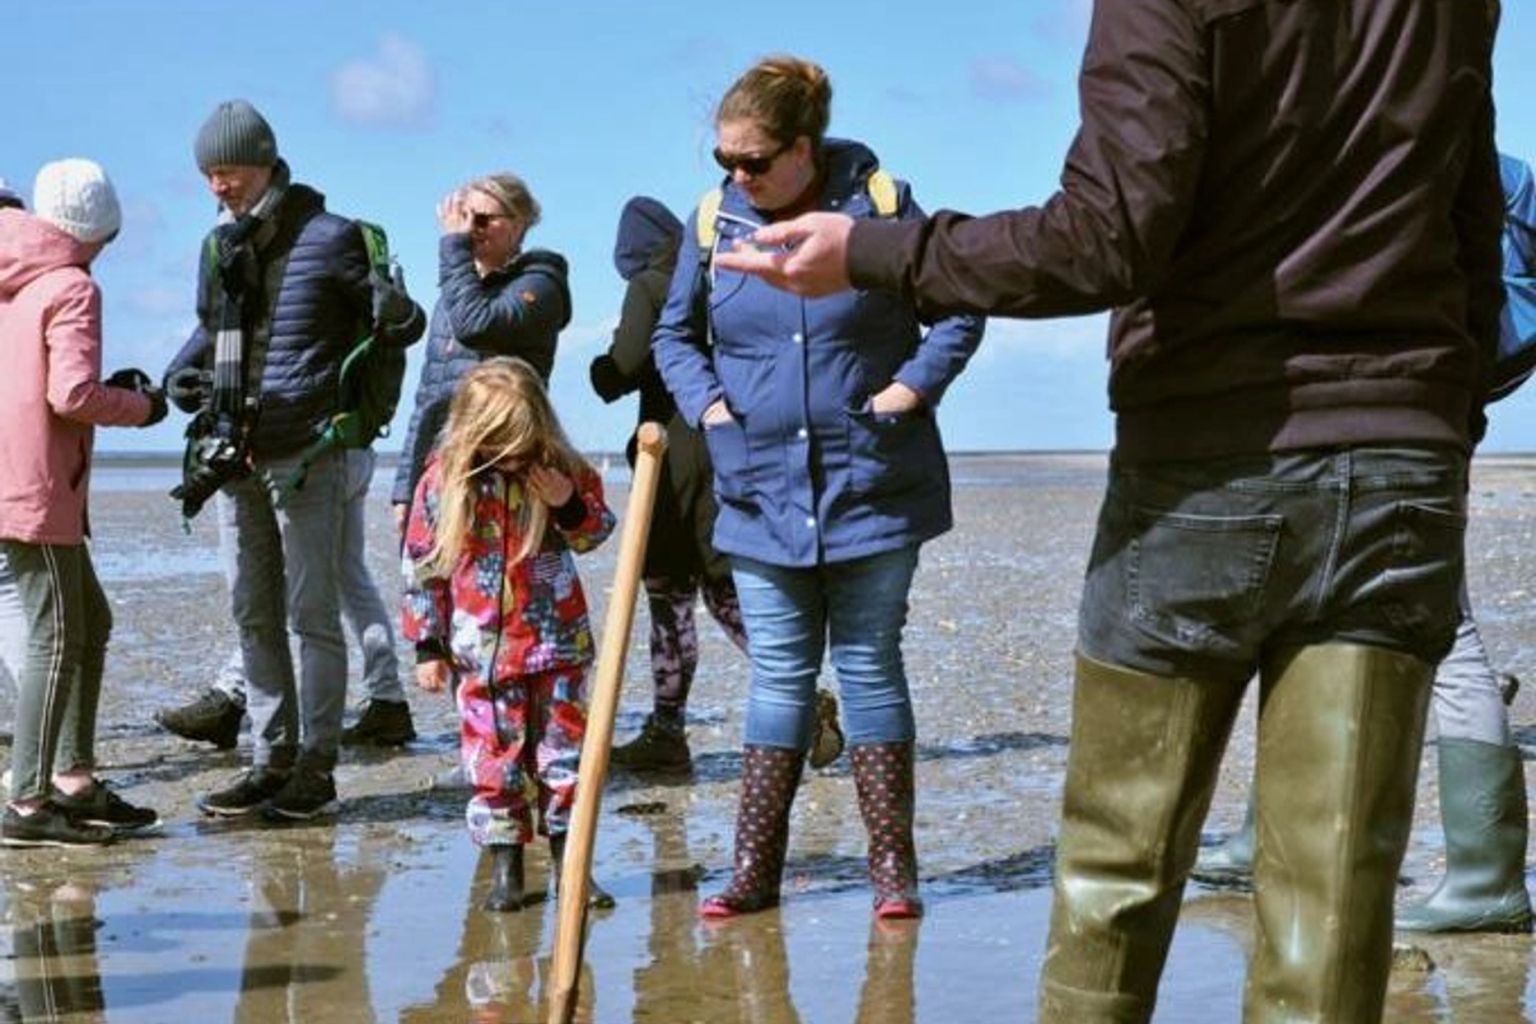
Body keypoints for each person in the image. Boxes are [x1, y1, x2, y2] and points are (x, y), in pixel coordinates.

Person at [717, 3, 1502, 1019]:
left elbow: (1107, 236)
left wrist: (879, 252)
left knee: (1114, 888)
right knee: (1335, 907)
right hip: (1401, 456)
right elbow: (1469, 219)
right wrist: (1442, 414)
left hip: (1207, 462)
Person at [653, 55, 985, 920]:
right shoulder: (710, 224)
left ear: (803, 149)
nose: (737, 175)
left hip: (873, 480)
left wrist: (909, 390)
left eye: (754, 160)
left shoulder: (877, 208)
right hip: (758, 489)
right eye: (724, 160)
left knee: (870, 666)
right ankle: (753, 873)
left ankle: (891, 875)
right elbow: (673, 337)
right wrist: (712, 410)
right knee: (779, 679)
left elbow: (959, 304)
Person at [1195, 151, 1536, 936]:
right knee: (1304, 604)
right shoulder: (1435, 128)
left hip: (1386, 405)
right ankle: (1270, 840)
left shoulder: (1400, 132)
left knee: (1440, 625)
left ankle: (1487, 877)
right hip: (1404, 399)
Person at [164, 99, 425, 822]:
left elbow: (396, 321)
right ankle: (267, 759)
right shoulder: (218, 248)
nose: (220, 186)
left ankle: (317, 766)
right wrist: (172, 381)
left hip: (312, 452)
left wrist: (401, 316)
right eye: (209, 175)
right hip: (235, 453)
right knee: (252, 612)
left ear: (266, 161)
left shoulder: (331, 236)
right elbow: (209, 330)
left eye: (230, 171)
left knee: (312, 614)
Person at [592, 196, 844, 772]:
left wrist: (600, 368)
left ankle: (666, 732)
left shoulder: (652, 284)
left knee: (669, 602)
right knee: (729, 592)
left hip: (673, 463)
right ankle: (802, 701)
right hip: (736, 449)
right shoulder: (722, 272)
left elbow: (624, 368)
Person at [402, 358, 617, 913]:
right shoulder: (443, 480)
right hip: (481, 653)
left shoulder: (559, 468)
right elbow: (423, 566)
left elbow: (597, 532)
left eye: (524, 441)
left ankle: (574, 867)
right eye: (502, 446)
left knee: (565, 757)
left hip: (557, 645)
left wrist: (565, 502)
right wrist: (427, 645)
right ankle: (506, 870)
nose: (515, 458)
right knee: (494, 760)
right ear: (476, 435)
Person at [0, 159, 168, 846]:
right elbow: (70, 394)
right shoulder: (71, 285)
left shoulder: (13, 276)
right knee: (55, 636)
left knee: (89, 621)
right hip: (36, 485)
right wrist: (144, 406)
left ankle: (73, 777)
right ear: (103, 228)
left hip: (21, 477)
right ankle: (29, 803)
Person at [153, 443, 420, 750]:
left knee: (284, 582)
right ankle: (388, 698)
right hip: (353, 448)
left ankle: (230, 696)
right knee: (350, 577)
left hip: (310, 453)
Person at [391, 172, 571, 534]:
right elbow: (428, 394)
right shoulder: (455, 294)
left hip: (504, 466)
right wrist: (404, 488)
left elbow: (478, 325)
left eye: (484, 219)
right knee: (428, 583)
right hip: (443, 466)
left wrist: (453, 250)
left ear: (518, 226)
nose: (471, 229)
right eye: (465, 217)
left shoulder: (539, 284)